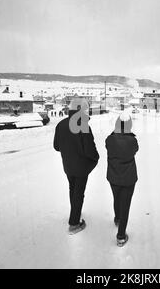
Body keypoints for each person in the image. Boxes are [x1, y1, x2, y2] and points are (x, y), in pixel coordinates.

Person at [54, 98, 99, 235]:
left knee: (72, 189)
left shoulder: (61, 124)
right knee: (79, 192)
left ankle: (75, 212)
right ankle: (74, 223)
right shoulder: (83, 125)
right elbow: (89, 150)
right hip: (81, 167)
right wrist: (96, 158)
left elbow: (56, 146)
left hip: (68, 166)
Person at [105, 113, 139, 247]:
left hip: (113, 177)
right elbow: (135, 150)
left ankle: (117, 219)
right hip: (128, 178)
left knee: (116, 198)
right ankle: (120, 236)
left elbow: (109, 146)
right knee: (126, 204)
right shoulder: (132, 141)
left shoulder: (109, 139)